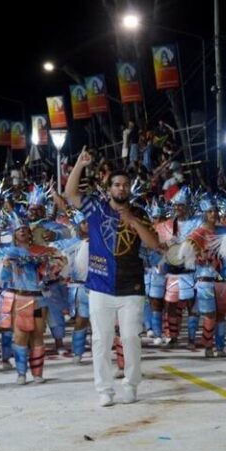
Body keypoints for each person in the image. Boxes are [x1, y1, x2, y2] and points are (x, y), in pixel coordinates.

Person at [65, 147, 161, 407]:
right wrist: (79, 164)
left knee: (130, 339)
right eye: (116, 185)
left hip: (131, 286)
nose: (121, 188)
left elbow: (154, 244)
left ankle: (131, 385)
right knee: (100, 339)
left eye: (125, 185)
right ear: (109, 189)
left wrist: (133, 220)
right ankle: (104, 390)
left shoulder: (139, 213)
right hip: (100, 285)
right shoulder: (95, 208)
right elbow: (70, 194)